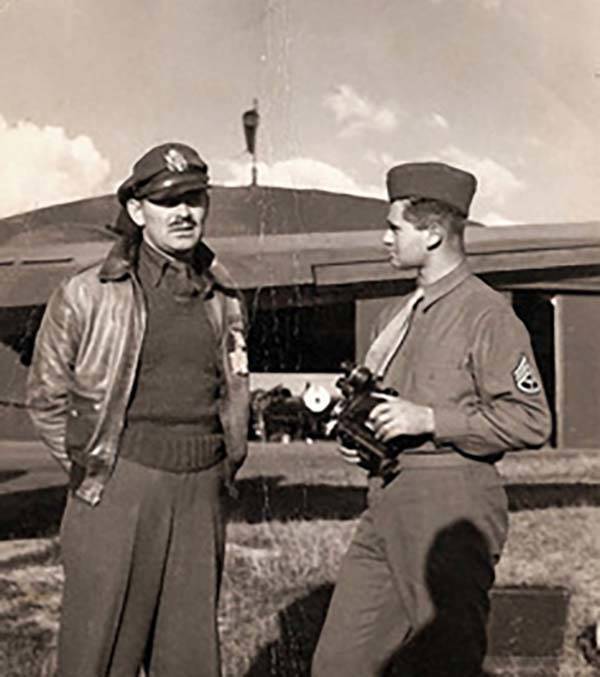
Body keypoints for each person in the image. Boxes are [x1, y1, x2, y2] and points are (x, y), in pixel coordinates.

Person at [312, 162, 552, 677]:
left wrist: (430, 420)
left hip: (453, 502)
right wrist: (364, 439)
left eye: (395, 227)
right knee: (340, 663)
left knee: (443, 663)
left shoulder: (486, 315)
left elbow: (531, 421)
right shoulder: (393, 317)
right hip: (387, 500)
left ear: (434, 233)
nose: (384, 238)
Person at [27, 142, 250, 677]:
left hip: (200, 489)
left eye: (195, 198)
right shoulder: (86, 294)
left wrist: (224, 465)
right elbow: (46, 397)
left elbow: (232, 391)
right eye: (167, 200)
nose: (184, 212)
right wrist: (98, 467)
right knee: (100, 653)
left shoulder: (225, 297)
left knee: (190, 656)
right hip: (119, 487)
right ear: (136, 211)